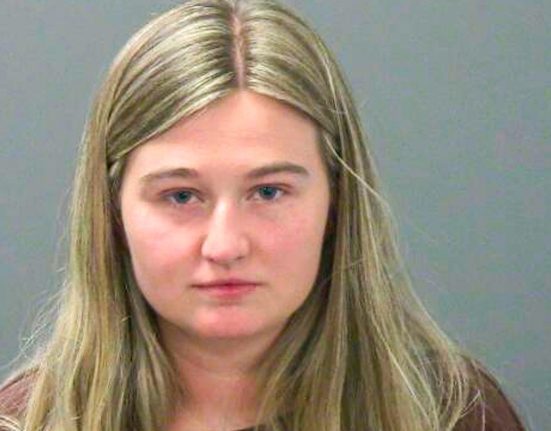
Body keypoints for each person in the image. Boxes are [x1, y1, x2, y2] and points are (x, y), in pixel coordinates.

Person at [0, 1, 528, 430]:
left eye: (269, 192)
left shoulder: (453, 413)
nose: (225, 246)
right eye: (181, 196)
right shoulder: (25, 420)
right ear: (112, 211)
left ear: (338, 202)